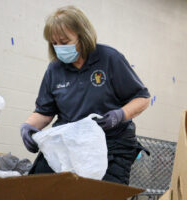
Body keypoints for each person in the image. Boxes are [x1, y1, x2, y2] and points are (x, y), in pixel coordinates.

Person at [20, 5, 150, 185]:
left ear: (83, 36)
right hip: (69, 143)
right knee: (36, 187)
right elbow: (44, 111)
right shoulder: (55, 69)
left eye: (64, 42)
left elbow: (142, 98)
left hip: (111, 144)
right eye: (54, 43)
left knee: (98, 193)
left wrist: (119, 115)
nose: (59, 48)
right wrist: (27, 127)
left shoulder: (109, 58)